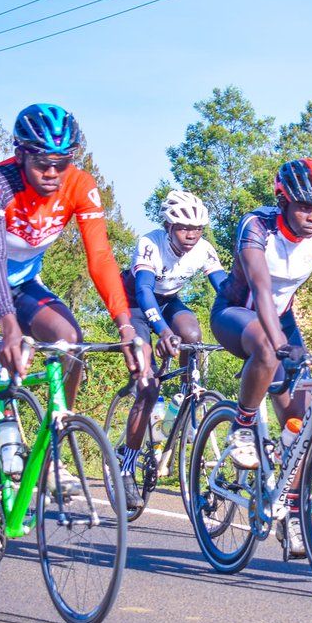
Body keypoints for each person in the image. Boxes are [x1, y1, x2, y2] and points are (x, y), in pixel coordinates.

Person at [0, 103, 139, 559]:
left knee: (73, 344)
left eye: (62, 162)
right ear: (19, 154)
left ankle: (50, 452)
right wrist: (8, 327)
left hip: (24, 284)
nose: (52, 172)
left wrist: (126, 324)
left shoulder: (80, 186)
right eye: (41, 163)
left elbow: (101, 258)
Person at [210, 157, 312, 557]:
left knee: (300, 425)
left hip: (281, 321)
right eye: (304, 206)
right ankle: (242, 426)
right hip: (237, 313)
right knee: (268, 352)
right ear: (283, 201)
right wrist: (278, 343)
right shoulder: (257, 227)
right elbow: (261, 289)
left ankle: (291, 511)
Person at [116, 189, 228, 511]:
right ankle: (126, 465)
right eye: (183, 228)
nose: (191, 235)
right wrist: (163, 332)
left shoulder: (204, 250)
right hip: (136, 304)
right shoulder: (150, 243)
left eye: (197, 229)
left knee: (192, 333)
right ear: (168, 225)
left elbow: (225, 289)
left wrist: (244, 320)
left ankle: (183, 394)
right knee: (148, 386)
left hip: (167, 302)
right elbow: (145, 291)